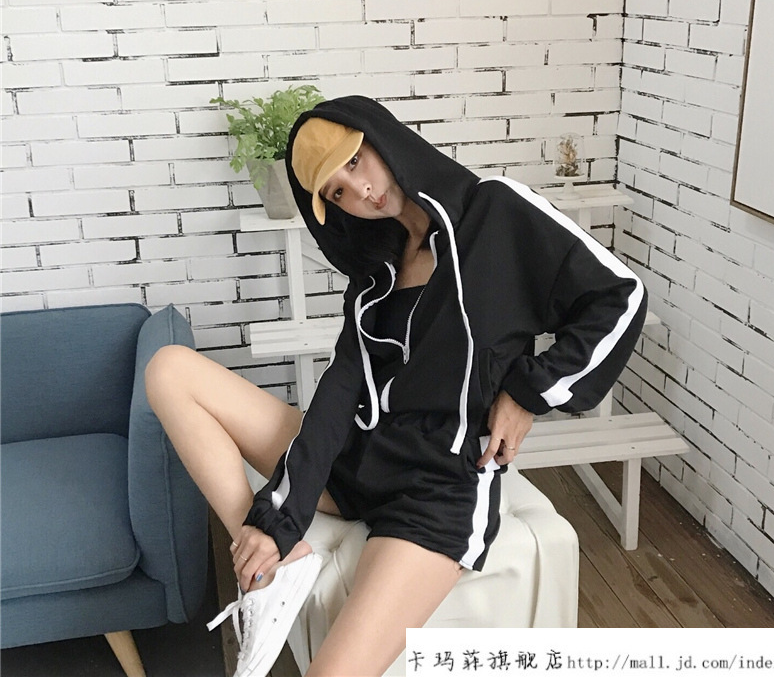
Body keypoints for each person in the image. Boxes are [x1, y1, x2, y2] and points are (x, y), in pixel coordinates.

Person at [145, 95, 647, 677]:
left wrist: (528, 392)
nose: (360, 192)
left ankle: (269, 555)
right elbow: (340, 389)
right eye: (336, 193)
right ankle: (265, 568)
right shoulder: (376, 267)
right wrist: (273, 522)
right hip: (359, 459)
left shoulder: (495, 211)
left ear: (382, 138)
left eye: (355, 162)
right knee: (169, 370)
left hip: (437, 488)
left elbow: (620, 297)